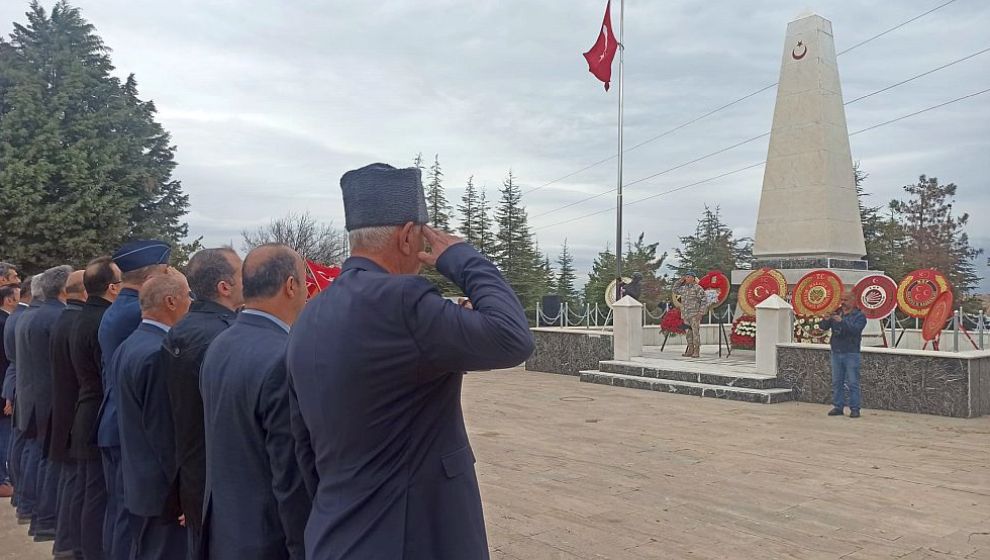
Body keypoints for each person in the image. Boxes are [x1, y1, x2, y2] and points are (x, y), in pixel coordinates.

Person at [287, 163, 534, 559]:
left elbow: (302, 447)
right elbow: (512, 338)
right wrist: (462, 258)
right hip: (413, 539)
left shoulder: (310, 316)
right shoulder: (402, 300)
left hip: (336, 533)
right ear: (406, 237)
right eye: (421, 240)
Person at [200, 245, 310, 560]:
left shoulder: (221, 343)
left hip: (226, 530)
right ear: (291, 286)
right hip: (267, 539)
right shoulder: (284, 357)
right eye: (304, 281)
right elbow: (291, 474)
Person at [160, 247, 242, 552]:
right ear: (224, 287)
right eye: (240, 274)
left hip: (192, 475)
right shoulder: (226, 338)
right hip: (221, 481)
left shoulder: (179, 329)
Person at [96, 240, 170, 560]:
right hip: (127, 425)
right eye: (167, 272)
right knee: (131, 517)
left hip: (114, 420)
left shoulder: (119, 306)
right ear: (152, 279)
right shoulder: (135, 312)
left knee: (120, 512)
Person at [113, 273, 191, 559]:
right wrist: (183, 491)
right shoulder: (157, 353)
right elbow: (163, 431)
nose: (191, 303)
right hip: (161, 491)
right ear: (171, 301)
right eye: (187, 296)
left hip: (140, 482)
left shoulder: (130, 344)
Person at [69, 256, 121, 560]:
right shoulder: (104, 320)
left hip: (85, 410)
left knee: (88, 492)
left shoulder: (80, 316)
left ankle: (81, 550)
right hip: (96, 412)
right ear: (113, 288)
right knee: (97, 496)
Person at [15, 265, 71, 542]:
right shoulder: (56, 317)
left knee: (34, 453)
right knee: (46, 458)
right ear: (63, 289)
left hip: (33, 393)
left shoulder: (30, 315)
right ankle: (45, 516)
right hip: (49, 397)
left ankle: (31, 507)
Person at [48, 270, 87, 558]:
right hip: (76, 413)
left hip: (66, 410)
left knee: (72, 484)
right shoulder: (78, 321)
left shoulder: (63, 318)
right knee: (77, 486)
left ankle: (67, 543)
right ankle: (70, 545)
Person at [4, 275, 35, 521]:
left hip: (17, 386)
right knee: (18, 442)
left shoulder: (17, 317)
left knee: (16, 441)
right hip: (24, 387)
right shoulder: (23, 317)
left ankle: (20, 495)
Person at [820, 292, 867, 418]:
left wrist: (842, 322)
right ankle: (838, 406)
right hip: (836, 351)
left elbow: (855, 330)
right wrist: (825, 319)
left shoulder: (859, 316)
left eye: (846, 300)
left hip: (851, 352)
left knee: (853, 382)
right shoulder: (837, 312)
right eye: (841, 299)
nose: (843, 302)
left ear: (853, 301)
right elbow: (823, 327)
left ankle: (855, 409)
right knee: (837, 381)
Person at [0, 282, 21, 498]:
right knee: (5, 437)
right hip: (4, 388)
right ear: (9, 300)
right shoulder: (4, 322)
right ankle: (2, 480)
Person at [672, 272, 707, 358]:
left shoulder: (698, 288)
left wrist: (701, 313)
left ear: (693, 278)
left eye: (688, 277)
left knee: (695, 333)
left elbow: (704, 300)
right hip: (685, 315)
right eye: (686, 277)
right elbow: (675, 289)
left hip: (695, 315)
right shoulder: (683, 289)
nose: (686, 278)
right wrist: (680, 281)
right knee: (688, 333)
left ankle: (696, 350)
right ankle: (690, 349)